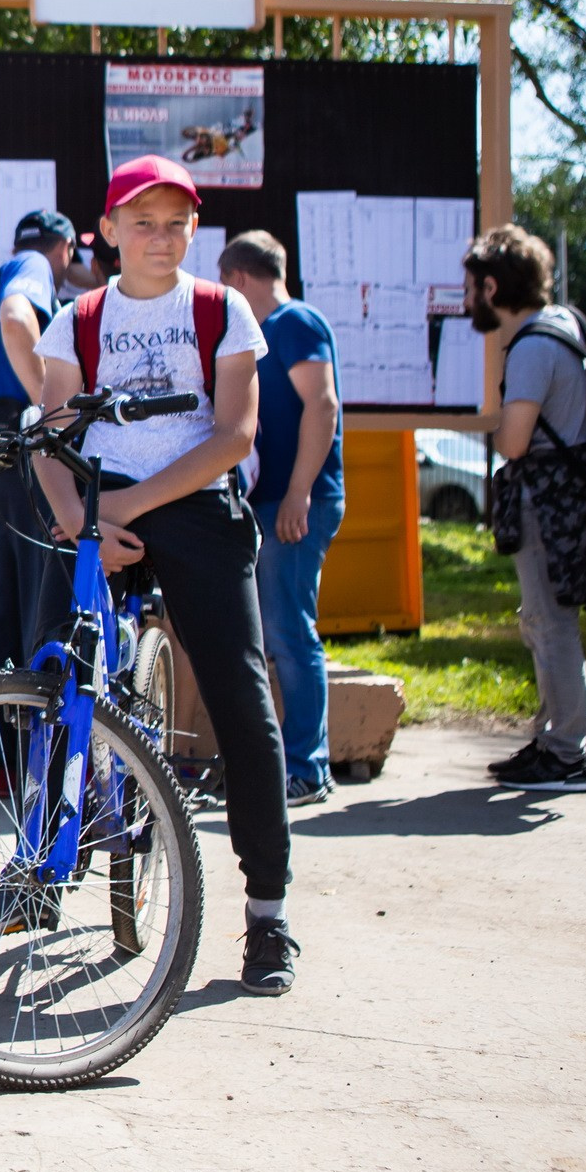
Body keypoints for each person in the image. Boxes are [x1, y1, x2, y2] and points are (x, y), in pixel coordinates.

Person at [28, 155, 299, 995]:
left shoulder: (222, 311)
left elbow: (234, 435)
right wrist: (82, 520)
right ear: (106, 232)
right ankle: (39, 861)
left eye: (176, 222)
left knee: (240, 694)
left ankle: (267, 914)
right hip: (97, 510)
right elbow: (51, 427)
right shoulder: (76, 319)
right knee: (52, 674)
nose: (160, 236)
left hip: (190, 505)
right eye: (141, 222)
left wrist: (133, 506)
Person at [464, 224, 586, 794]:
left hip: (547, 500)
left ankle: (565, 755)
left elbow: (514, 442)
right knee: (547, 622)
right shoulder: (571, 324)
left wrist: (502, 422)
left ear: (494, 287)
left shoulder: (530, 345)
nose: (469, 298)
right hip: (574, 495)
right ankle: (554, 740)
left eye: (473, 287)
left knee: (553, 626)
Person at [219, 230, 344, 807]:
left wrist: (299, 492)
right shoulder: (269, 332)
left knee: (292, 634)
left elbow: (322, 404)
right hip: (268, 501)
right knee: (277, 634)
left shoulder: (295, 322)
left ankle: (307, 767)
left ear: (240, 279)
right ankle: (286, 762)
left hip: (297, 503)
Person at [0, 208, 78, 791]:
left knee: (6, 603)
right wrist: (50, 410)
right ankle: (44, 758)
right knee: (43, 601)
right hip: (22, 438)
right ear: (62, 249)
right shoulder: (33, 268)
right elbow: (17, 320)